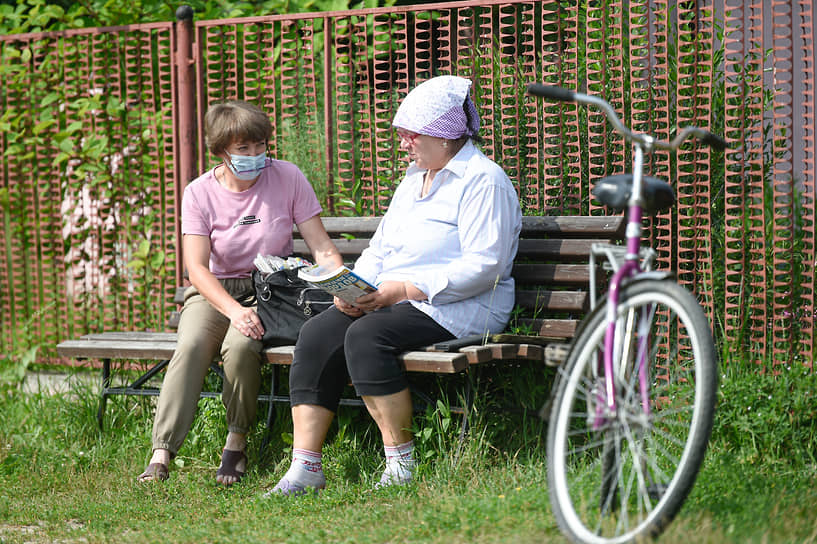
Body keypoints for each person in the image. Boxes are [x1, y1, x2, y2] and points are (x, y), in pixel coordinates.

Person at [267, 75, 522, 496]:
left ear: (444, 136)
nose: (403, 142)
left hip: (461, 305)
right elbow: (382, 247)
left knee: (368, 336)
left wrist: (403, 290)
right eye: (401, 134)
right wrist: (354, 288)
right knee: (317, 333)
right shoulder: (414, 178)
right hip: (395, 299)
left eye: (411, 135)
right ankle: (305, 468)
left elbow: (485, 266)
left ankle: (400, 465)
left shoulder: (483, 180)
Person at [137, 100, 343, 485]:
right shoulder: (198, 192)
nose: (255, 156)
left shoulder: (288, 176)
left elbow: (321, 247)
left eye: (261, 146)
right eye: (243, 149)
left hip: (271, 289)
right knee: (193, 343)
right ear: (220, 151)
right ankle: (162, 450)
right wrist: (232, 310)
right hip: (216, 291)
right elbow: (196, 268)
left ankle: (236, 442)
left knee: (243, 347)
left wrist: (339, 281)